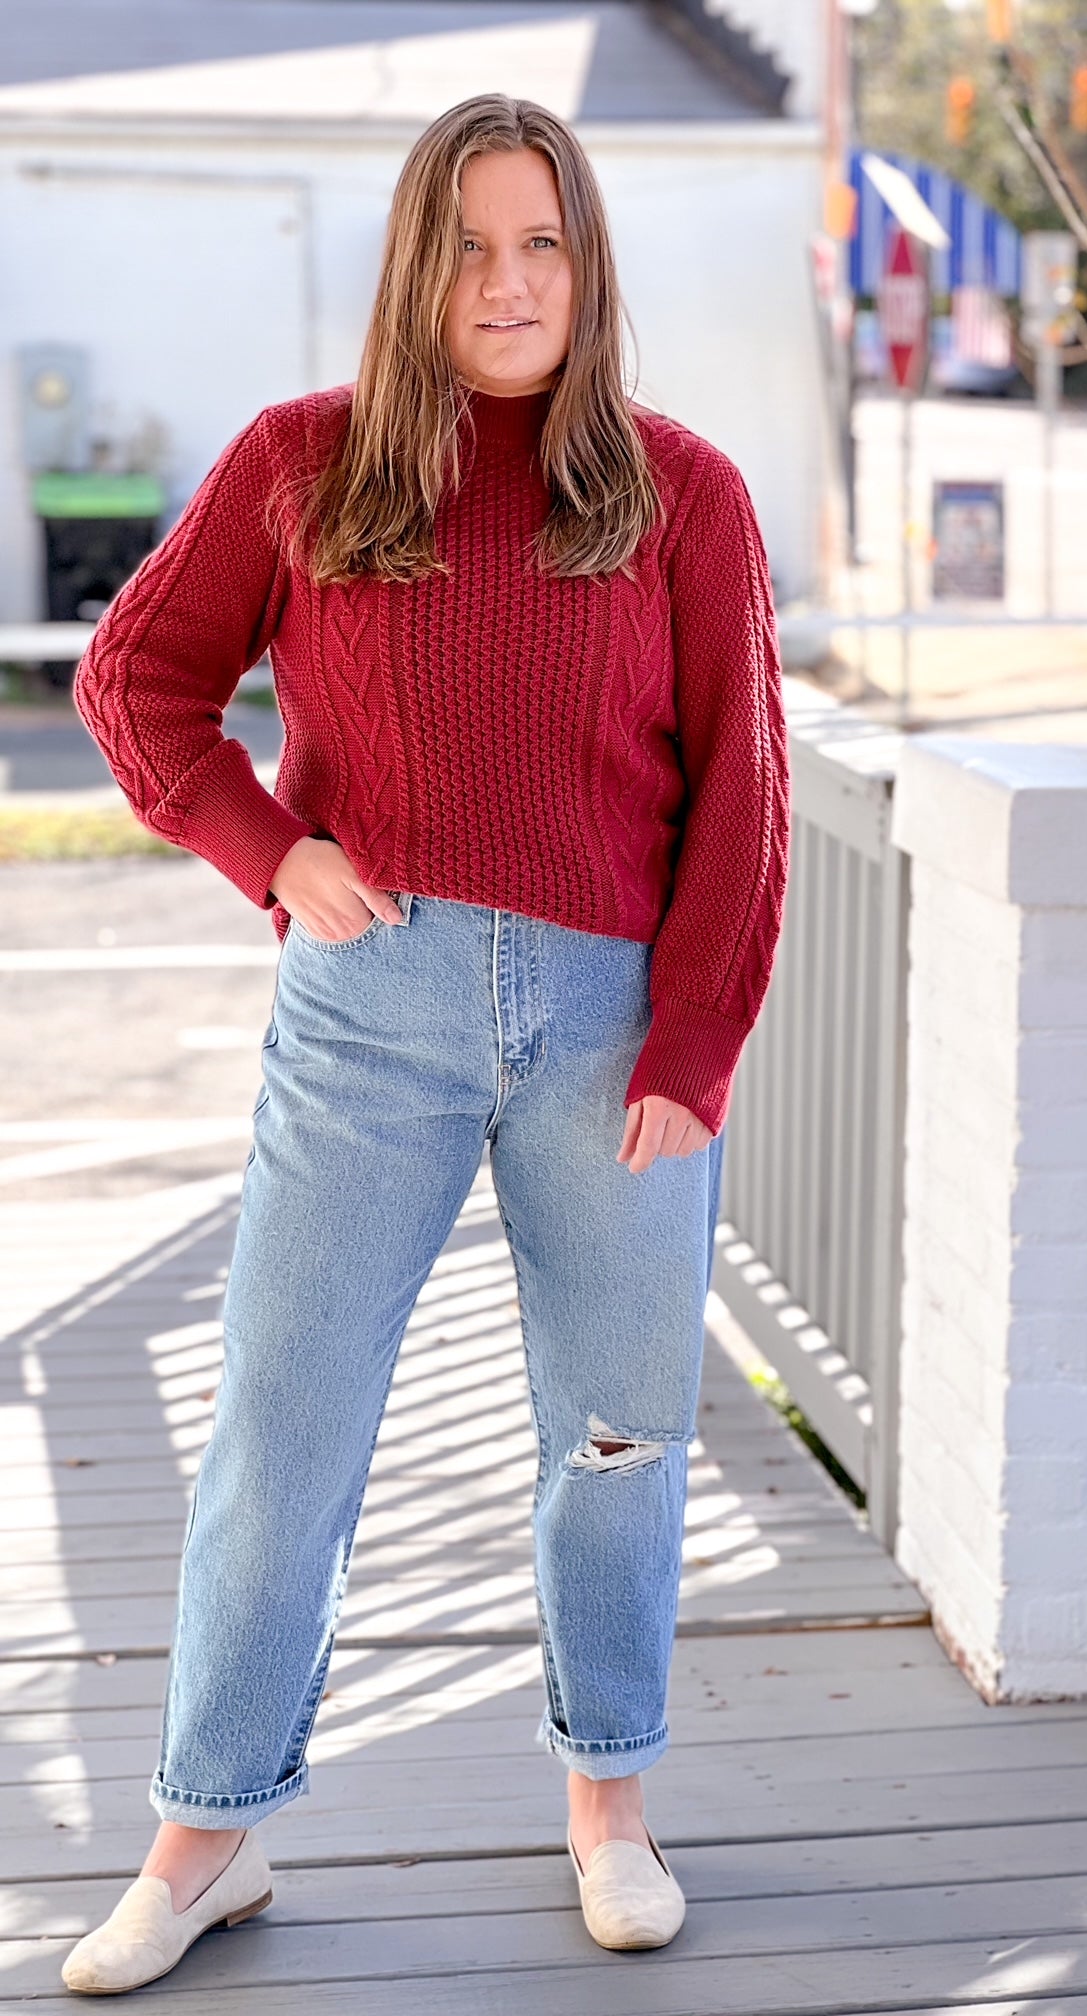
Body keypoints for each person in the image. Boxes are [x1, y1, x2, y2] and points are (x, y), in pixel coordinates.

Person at [61, 91, 789, 1995]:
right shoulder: (301, 465)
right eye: (469, 245)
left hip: (611, 1029)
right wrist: (273, 851)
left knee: (618, 1434)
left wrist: (693, 1048)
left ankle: (612, 1806)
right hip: (368, 1010)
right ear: (413, 265)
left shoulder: (686, 496)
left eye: (542, 242)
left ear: (587, 264)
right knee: (283, 1424)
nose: (507, 281)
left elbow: (746, 797)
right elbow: (135, 679)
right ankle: (207, 1836)